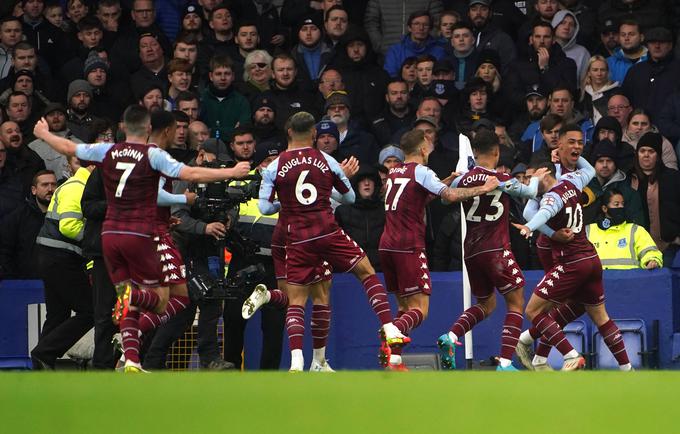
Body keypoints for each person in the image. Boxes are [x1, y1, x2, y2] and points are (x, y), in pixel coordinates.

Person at [32, 105, 251, 373]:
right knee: (160, 300)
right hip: (139, 234)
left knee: (130, 298)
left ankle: (132, 360)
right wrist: (233, 172)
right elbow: (190, 174)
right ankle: (130, 303)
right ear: (148, 129)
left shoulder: (107, 151)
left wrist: (43, 133)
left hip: (110, 236)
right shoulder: (153, 154)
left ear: (124, 127)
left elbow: (69, 148)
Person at [257, 111, 408, 371]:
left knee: (296, 299)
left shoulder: (275, 165)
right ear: (314, 134)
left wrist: (289, 200)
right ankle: (389, 325)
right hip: (327, 232)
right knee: (366, 271)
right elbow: (349, 199)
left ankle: (296, 362)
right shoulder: (327, 160)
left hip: (298, 238)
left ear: (289, 132)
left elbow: (265, 208)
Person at [516, 124, 632, 371]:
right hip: (564, 250)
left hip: (568, 256)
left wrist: (534, 228)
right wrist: (552, 232)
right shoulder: (564, 177)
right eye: (572, 142)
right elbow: (533, 208)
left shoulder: (569, 179)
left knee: (546, 308)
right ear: (558, 146)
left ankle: (559, 352)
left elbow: (534, 213)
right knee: (582, 308)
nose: (578, 147)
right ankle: (627, 369)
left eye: (581, 142)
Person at [380, 129, 498, 370]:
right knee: (419, 310)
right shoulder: (421, 171)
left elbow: (417, 197)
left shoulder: (394, 172)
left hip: (387, 245)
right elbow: (452, 196)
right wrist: (482, 189)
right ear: (422, 148)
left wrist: (444, 180)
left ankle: (394, 360)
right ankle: (393, 329)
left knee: (403, 307)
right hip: (408, 245)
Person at [437, 129, 546, 371]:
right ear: (497, 152)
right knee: (516, 302)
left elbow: (446, 199)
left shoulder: (462, 180)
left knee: (486, 305)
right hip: (495, 249)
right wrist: (536, 177)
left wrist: (453, 179)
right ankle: (505, 363)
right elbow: (529, 192)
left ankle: (451, 337)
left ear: (474, 154)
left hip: (471, 252)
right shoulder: (499, 179)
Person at [31, 160, 95, 369]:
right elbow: (68, 227)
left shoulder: (75, 185)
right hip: (61, 256)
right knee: (89, 311)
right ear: (93, 168)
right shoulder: (78, 188)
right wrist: (96, 241)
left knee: (58, 313)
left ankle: (42, 361)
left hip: (53, 255)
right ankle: (44, 352)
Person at [628, 132, 680, 266]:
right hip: (636, 247)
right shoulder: (628, 179)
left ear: (658, 155)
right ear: (637, 154)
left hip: (670, 245)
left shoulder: (673, 178)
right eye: (642, 151)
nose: (646, 154)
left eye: (651, 151)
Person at [0, 169, 56, 280]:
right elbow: (5, 251)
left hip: (58, 281)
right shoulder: (18, 217)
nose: (50, 189)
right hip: (26, 282)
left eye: (53, 184)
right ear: (34, 190)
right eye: (45, 185)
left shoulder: (63, 214)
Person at [586, 189, 663, 269]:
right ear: (605, 208)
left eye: (622, 204)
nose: (621, 207)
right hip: (597, 280)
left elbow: (649, 250)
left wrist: (652, 260)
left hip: (629, 280)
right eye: (616, 204)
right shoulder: (589, 230)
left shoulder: (635, 230)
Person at [580, 55, 620, 125]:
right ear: (589, 72)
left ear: (607, 72)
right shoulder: (582, 93)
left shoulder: (616, 92)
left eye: (602, 70)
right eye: (595, 70)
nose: (599, 74)